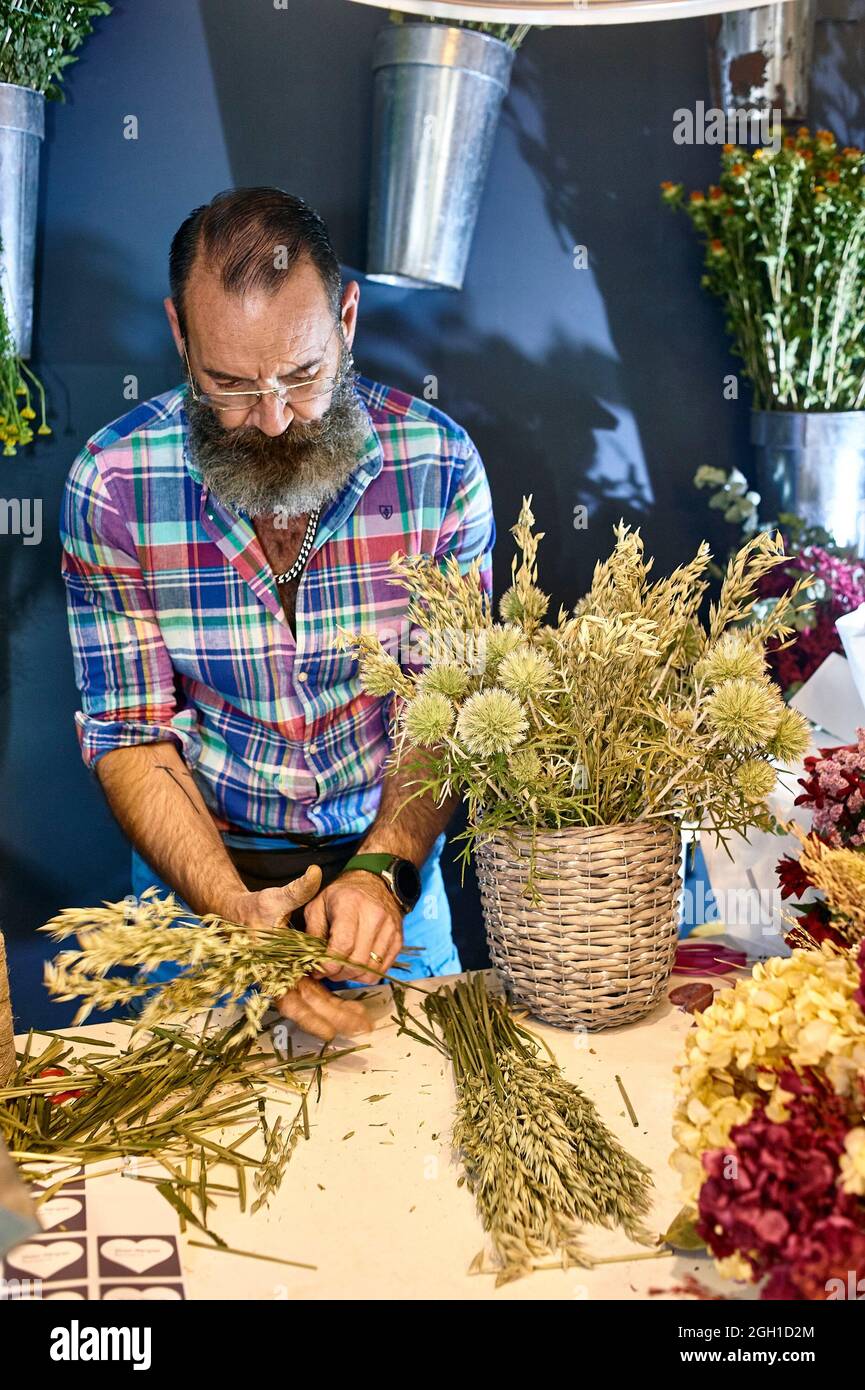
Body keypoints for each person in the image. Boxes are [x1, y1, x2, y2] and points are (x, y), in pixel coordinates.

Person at [60, 187, 494, 1041]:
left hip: (389, 863)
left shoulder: (439, 467)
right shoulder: (111, 485)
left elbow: (442, 719)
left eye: (302, 377)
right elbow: (130, 736)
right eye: (227, 384)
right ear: (180, 336)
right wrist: (231, 908)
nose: (270, 420)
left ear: (347, 317)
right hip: (201, 879)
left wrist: (381, 873)